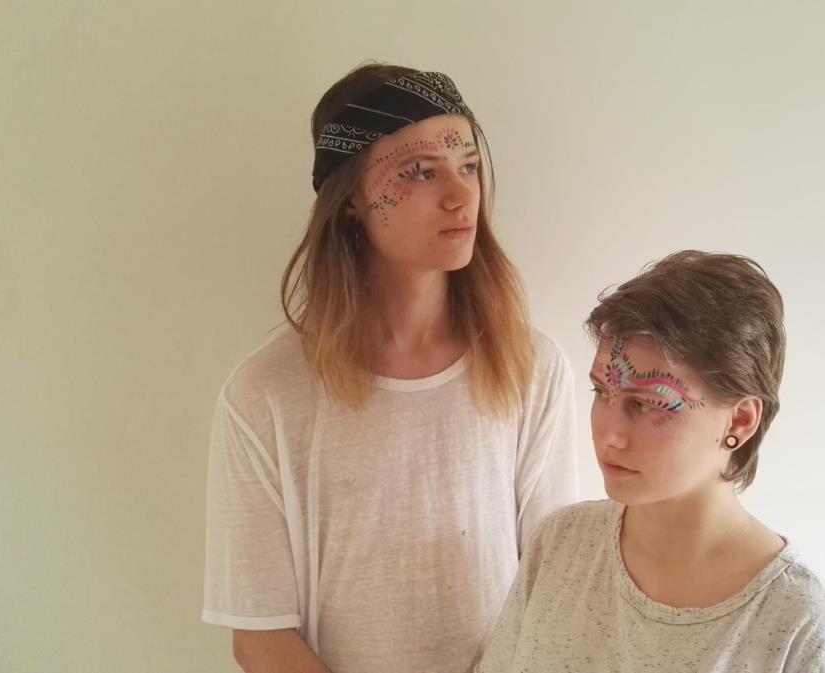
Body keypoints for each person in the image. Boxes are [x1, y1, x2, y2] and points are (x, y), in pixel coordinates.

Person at [202, 63, 578, 673]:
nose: (461, 195)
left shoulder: (530, 367)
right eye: (420, 172)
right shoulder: (265, 394)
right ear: (351, 198)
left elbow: (554, 585)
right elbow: (260, 636)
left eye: (468, 166)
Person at [476, 250, 825, 672]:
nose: (609, 434)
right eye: (602, 392)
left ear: (740, 420)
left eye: (647, 404)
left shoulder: (800, 627)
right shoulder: (559, 544)